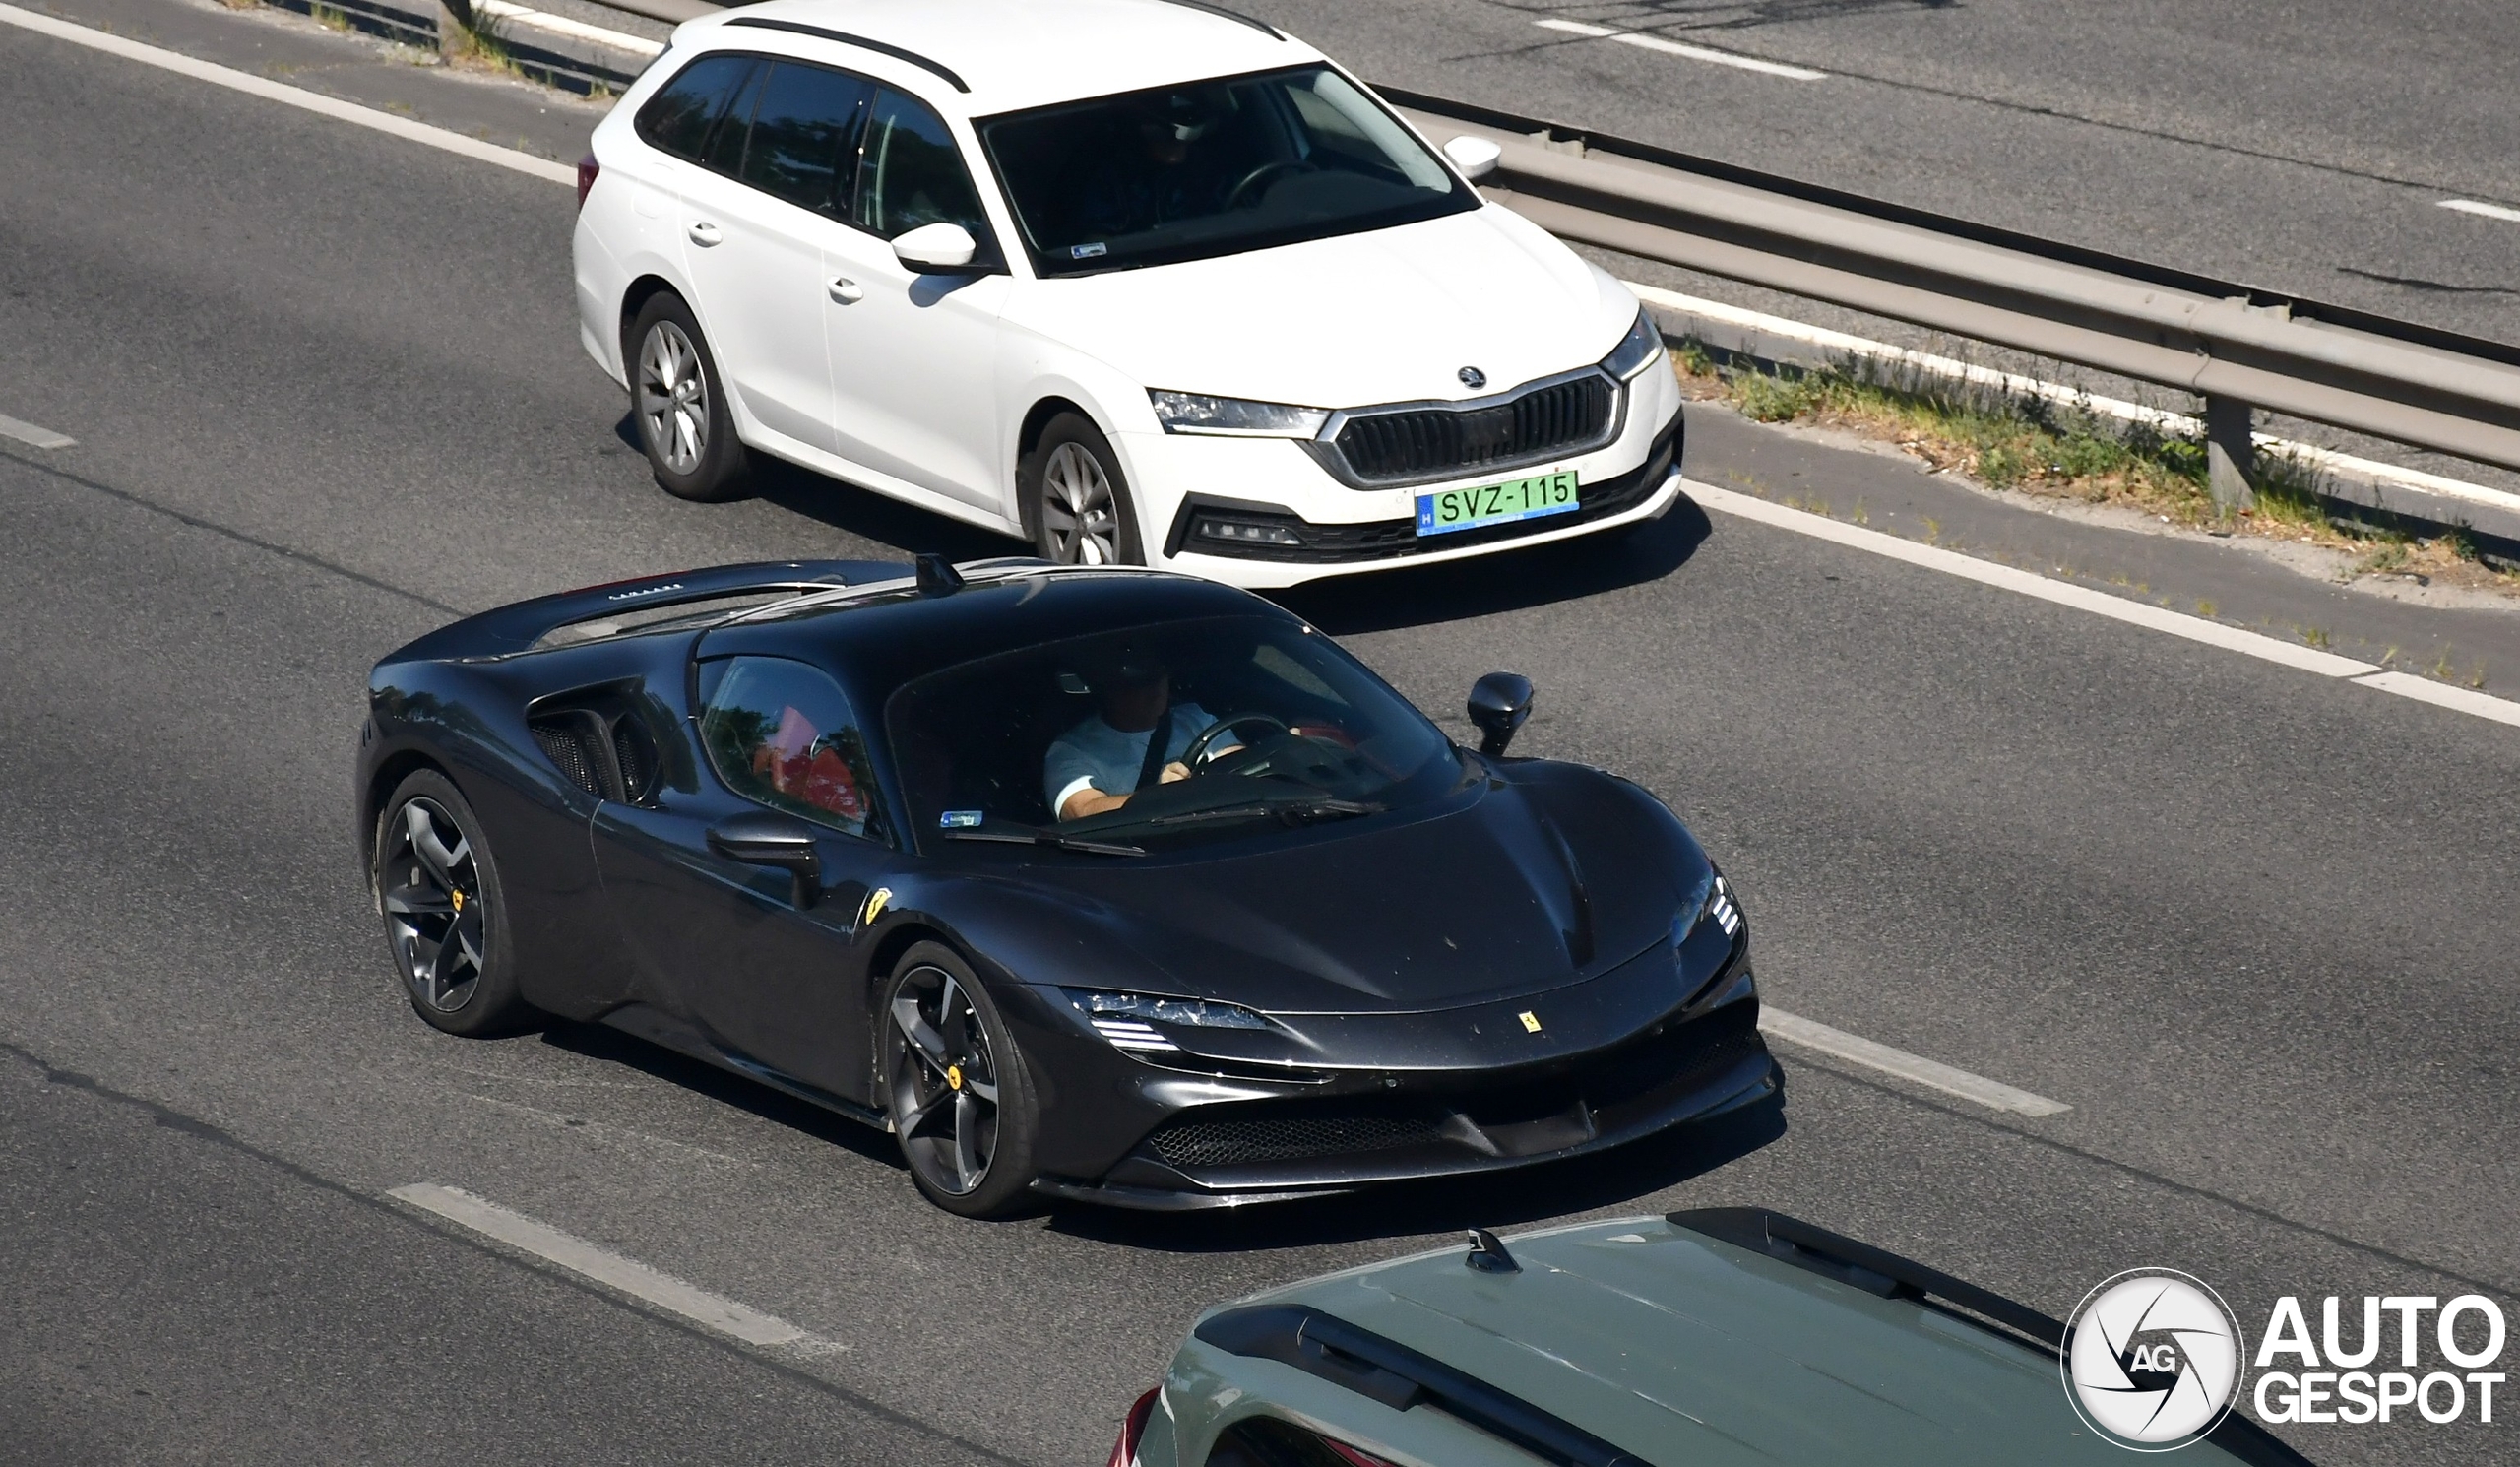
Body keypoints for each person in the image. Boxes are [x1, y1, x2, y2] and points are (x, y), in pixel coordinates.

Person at [1044, 655, 1237, 821]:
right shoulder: (1072, 750)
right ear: (1109, 689)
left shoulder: (1195, 717)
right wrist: (1160, 798)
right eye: (1139, 682)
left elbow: (1243, 766)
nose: (1155, 689)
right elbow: (1082, 810)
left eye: (1158, 676)